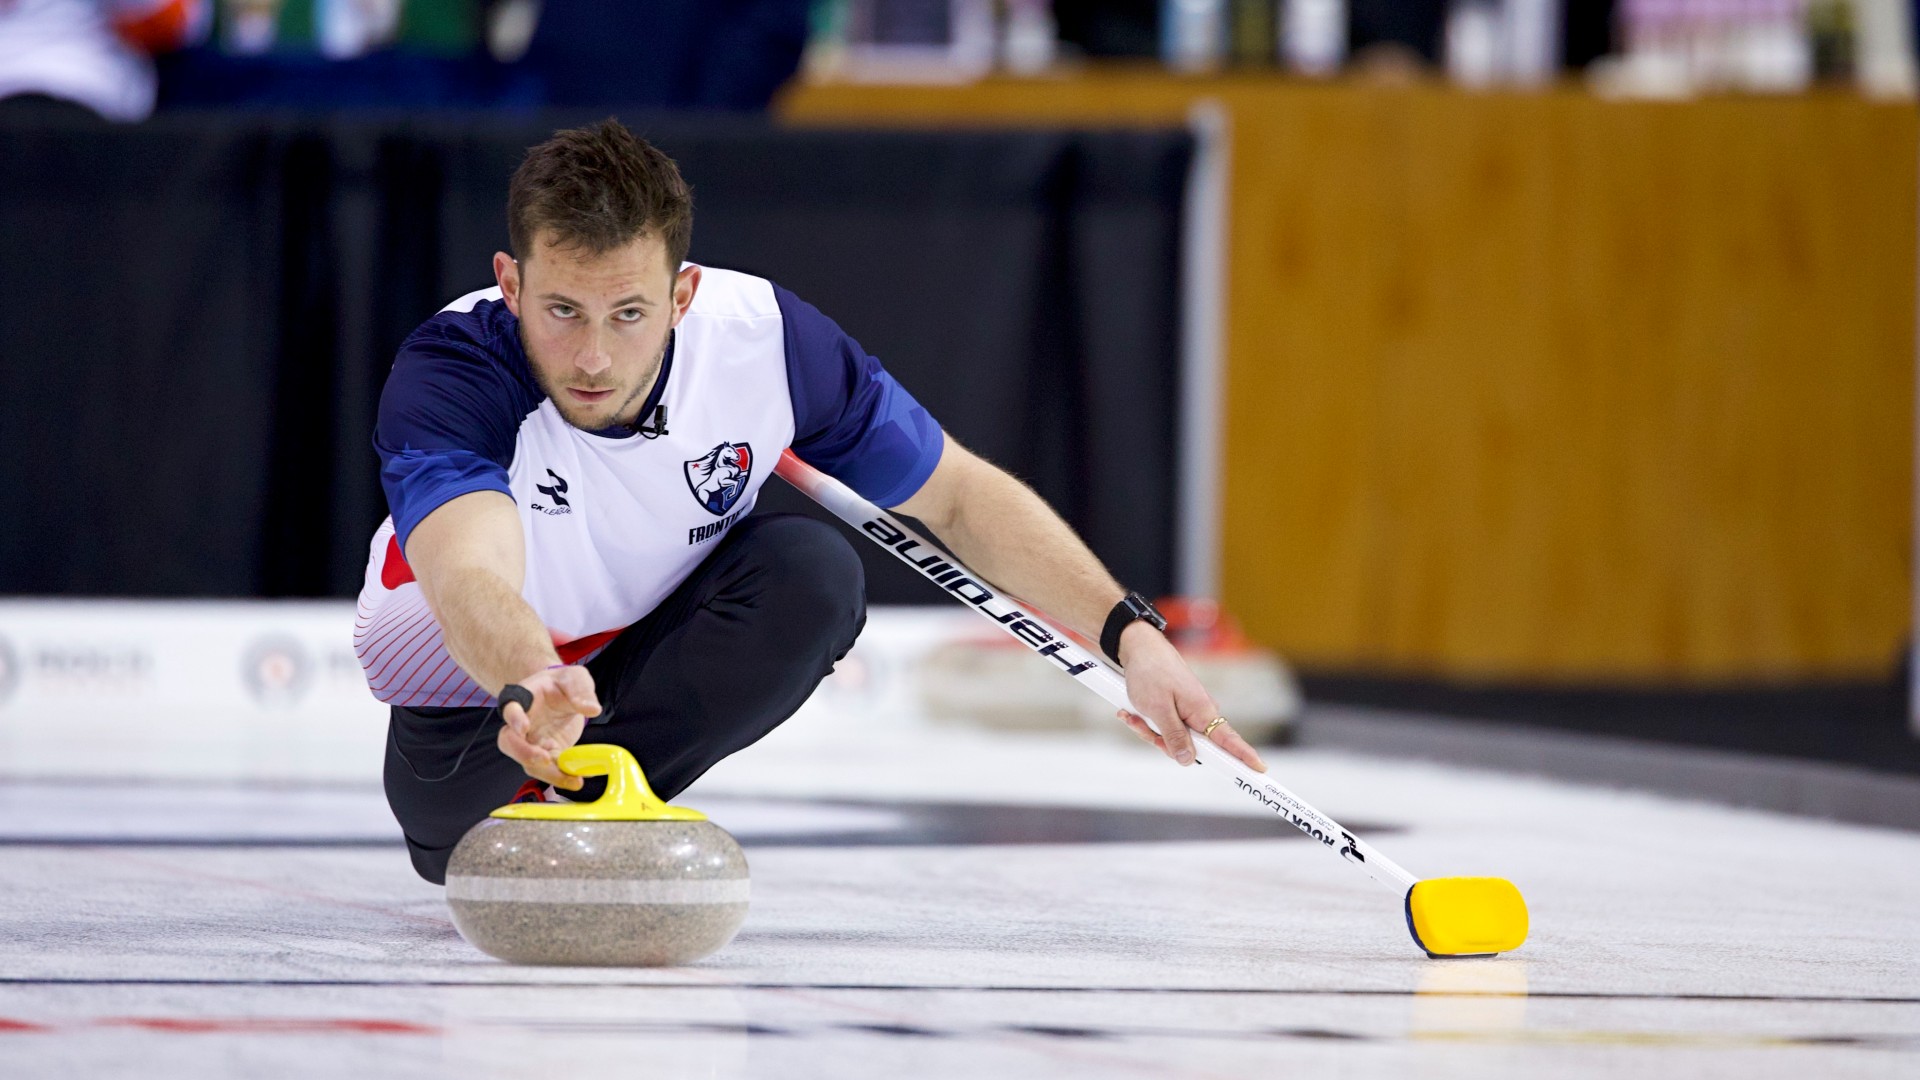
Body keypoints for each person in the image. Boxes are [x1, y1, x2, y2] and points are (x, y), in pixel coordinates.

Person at [357, 118, 1268, 885]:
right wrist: (533, 676)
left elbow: (954, 497)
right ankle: (537, 791)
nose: (593, 357)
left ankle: (591, 803)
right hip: (479, 703)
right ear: (511, 283)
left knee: (813, 574)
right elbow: (467, 568)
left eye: (627, 313)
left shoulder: (769, 343)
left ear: (683, 294)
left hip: (633, 652)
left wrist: (1131, 636)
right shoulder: (454, 369)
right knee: (459, 840)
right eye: (561, 312)